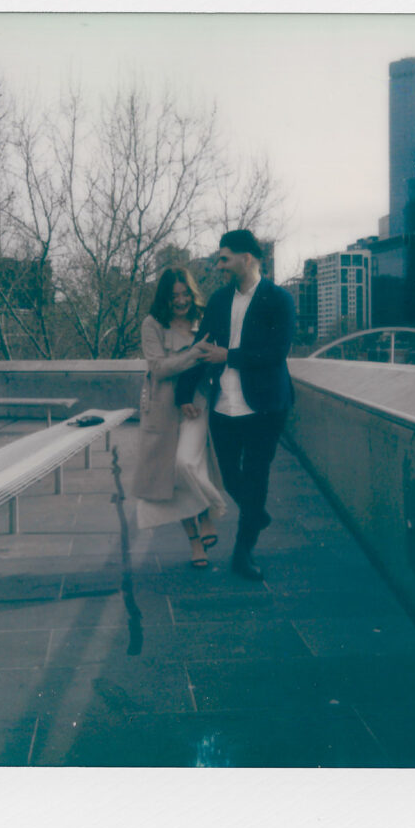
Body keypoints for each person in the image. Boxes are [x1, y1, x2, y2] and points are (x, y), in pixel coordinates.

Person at [176, 230, 295, 581]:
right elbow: (200, 347)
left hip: (265, 407)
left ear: (248, 257)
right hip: (224, 406)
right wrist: (184, 393)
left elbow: (277, 353)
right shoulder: (219, 300)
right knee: (229, 475)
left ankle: (243, 553)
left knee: (257, 477)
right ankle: (256, 514)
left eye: (225, 258)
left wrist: (230, 356)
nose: (220, 265)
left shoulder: (279, 299)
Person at [130, 267, 226, 568]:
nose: (181, 301)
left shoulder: (203, 318)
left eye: (185, 294)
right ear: (165, 298)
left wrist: (203, 359)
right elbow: (158, 369)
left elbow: (211, 359)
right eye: (174, 296)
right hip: (162, 407)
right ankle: (195, 541)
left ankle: (209, 510)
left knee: (187, 463)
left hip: (197, 402)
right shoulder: (152, 324)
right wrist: (194, 353)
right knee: (171, 477)